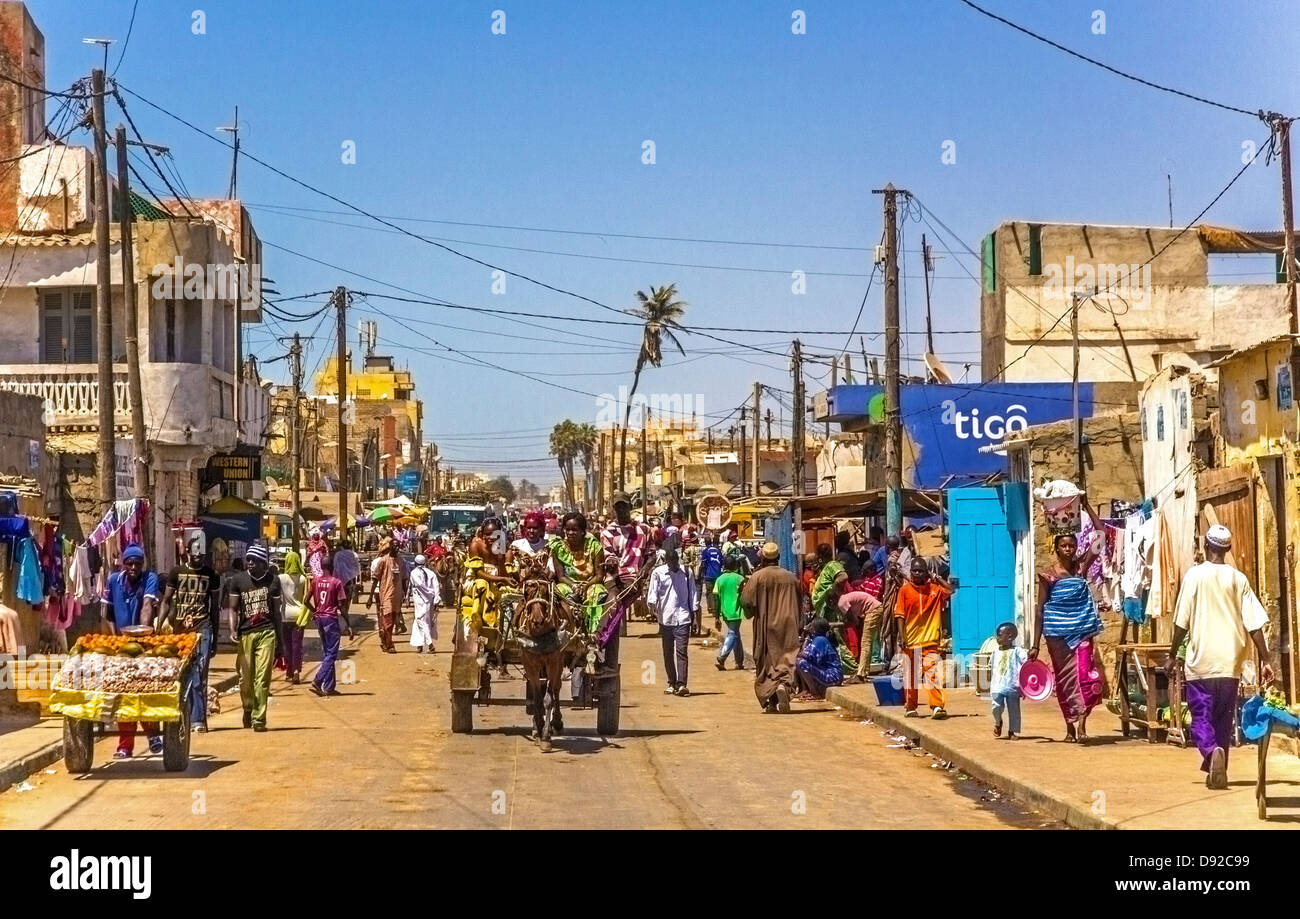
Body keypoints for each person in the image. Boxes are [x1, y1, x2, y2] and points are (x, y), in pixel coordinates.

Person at [1167, 525, 1272, 789]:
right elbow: (1255, 624)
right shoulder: (1239, 580)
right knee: (1224, 717)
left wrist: (1172, 655)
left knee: (1201, 715)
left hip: (1201, 662)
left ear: (1205, 546)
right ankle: (1218, 770)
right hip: (1230, 662)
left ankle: (1212, 752)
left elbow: (1181, 622)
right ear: (1227, 550)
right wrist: (1267, 659)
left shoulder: (1194, 576)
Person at [1030, 498, 1105, 743]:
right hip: (1057, 635)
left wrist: (1086, 506)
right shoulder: (1048, 575)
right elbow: (1041, 610)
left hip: (1081, 631)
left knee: (1085, 675)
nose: (1069, 549)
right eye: (1064, 546)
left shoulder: (1082, 567)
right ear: (1057, 548)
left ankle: (1082, 724)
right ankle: (1070, 727)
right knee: (1065, 681)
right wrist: (1034, 644)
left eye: (1072, 545)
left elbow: (1101, 535)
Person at [103, 544, 163, 758]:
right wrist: (115, 640)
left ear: (142, 564)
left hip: (145, 644)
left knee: (145, 690)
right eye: (130, 563)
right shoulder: (113, 581)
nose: (134, 567)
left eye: (138, 563)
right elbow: (108, 613)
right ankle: (125, 745)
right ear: (123, 564)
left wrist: (140, 637)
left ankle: (153, 735)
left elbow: (147, 605)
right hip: (120, 646)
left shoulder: (150, 579)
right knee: (124, 693)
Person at [158, 531, 220, 733]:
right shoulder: (176, 573)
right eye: (195, 555)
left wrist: (215, 639)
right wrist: (159, 628)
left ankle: (198, 720)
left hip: (203, 628)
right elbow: (166, 601)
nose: (198, 558)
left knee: (199, 674)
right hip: (180, 631)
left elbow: (215, 608)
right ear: (187, 552)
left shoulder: (211, 576)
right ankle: (181, 716)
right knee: (181, 674)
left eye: (201, 556)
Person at [225, 545, 284, 731]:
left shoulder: (273, 582)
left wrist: (280, 642)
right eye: (248, 559)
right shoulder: (238, 580)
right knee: (245, 679)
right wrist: (233, 630)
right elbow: (233, 609)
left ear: (262, 563)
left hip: (267, 632)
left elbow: (276, 613)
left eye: (253, 560)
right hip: (246, 634)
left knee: (262, 678)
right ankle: (248, 708)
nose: (249, 563)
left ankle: (259, 718)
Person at [740, 541, 801, 713]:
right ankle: (783, 686)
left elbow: (746, 601)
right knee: (787, 658)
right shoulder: (791, 577)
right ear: (779, 558)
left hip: (766, 625)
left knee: (766, 661)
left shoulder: (757, 577)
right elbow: (800, 601)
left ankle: (772, 701)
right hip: (789, 624)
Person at [895, 557, 955, 719]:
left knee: (932, 675)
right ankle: (911, 707)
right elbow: (899, 615)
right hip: (911, 641)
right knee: (911, 677)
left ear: (926, 573)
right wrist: (902, 636)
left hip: (930, 641)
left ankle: (937, 706)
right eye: (914, 571)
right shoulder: (904, 591)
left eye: (920, 571)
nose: (916, 574)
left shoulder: (935, 590)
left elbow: (951, 590)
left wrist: (937, 578)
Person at [600, 492, 653, 671]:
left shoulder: (644, 530)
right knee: (610, 606)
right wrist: (613, 566)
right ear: (613, 509)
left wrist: (644, 570)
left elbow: (652, 554)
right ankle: (601, 644)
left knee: (614, 609)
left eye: (624, 506)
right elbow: (608, 558)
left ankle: (606, 649)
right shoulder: (608, 532)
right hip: (614, 578)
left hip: (634, 578)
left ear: (630, 507)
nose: (621, 510)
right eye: (617, 507)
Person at [647, 548, 698, 696]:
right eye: (671, 563)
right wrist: (653, 609)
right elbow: (652, 595)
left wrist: (695, 618)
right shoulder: (658, 573)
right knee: (668, 653)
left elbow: (693, 594)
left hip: (683, 618)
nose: (674, 565)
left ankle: (682, 684)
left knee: (682, 652)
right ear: (667, 562)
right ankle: (672, 682)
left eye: (676, 561)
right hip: (666, 619)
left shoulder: (687, 572)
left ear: (678, 559)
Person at [307, 555, 349, 697]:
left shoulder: (315, 581)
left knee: (327, 652)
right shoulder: (336, 583)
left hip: (319, 619)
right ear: (332, 567)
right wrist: (348, 624)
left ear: (321, 566)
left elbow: (306, 601)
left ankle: (329, 686)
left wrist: (315, 611)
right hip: (331, 619)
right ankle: (318, 680)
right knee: (332, 653)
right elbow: (342, 606)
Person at [367, 538, 407, 653]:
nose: (396, 548)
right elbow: (375, 579)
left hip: (397, 596)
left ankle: (385, 642)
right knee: (387, 620)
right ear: (390, 547)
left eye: (397, 546)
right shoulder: (383, 561)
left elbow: (404, 579)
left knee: (392, 621)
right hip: (386, 595)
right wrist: (370, 597)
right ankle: (390, 645)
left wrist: (404, 594)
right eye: (394, 546)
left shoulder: (401, 561)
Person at [990, 622, 1027, 739]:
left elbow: (1026, 661)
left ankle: (1012, 731)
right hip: (997, 685)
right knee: (996, 707)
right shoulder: (995, 651)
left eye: (1000, 635)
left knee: (1014, 709)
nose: (997, 638)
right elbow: (991, 665)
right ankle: (998, 722)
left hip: (1012, 685)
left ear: (1010, 637)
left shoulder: (1017, 651)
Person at [277, 551, 308, 684]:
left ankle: (289, 671)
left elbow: (278, 597)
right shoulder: (303, 579)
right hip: (299, 616)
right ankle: (296, 671)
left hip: (285, 615)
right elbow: (306, 598)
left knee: (287, 645)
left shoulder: (281, 578)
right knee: (297, 645)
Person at [795, 618, 843, 700]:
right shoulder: (817, 639)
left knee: (801, 662)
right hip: (832, 674)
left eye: (811, 625)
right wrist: (807, 637)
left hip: (832, 675)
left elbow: (808, 656)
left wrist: (793, 653)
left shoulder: (820, 640)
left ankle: (814, 692)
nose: (809, 626)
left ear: (815, 628)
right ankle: (805, 690)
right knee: (799, 661)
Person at [837, 587, 883, 671]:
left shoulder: (841, 603)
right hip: (876, 608)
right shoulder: (844, 598)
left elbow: (854, 621)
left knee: (866, 642)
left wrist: (837, 625)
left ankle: (861, 674)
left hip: (873, 609)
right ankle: (865, 671)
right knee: (868, 642)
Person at [713, 556, 746, 670]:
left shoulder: (719, 579)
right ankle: (722, 656)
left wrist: (717, 617)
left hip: (724, 612)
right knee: (732, 634)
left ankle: (739, 661)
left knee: (736, 635)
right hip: (736, 611)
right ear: (735, 566)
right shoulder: (740, 578)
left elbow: (716, 599)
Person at [408, 554, 441, 653]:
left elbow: (419, 585)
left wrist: (431, 595)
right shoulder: (431, 573)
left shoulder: (414, 573)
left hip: (422, 600)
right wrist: (435, 597)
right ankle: (419, 644)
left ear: (415, 563)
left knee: (422, 621)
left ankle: (430, 644)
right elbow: (436, 587)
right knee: (419, 621)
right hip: (428, 601)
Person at [811, 543, 848, 620]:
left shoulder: (832, 565)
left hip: (831, 611)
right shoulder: (825, 567)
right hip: (824, 612)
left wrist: (831, 590)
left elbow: (843, 577)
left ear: (820, 556)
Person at [331, 539, 361, 634]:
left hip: (339, 583)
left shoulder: (338, 555)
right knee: (346, 605)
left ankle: (345, 626)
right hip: (350, 583)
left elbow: (334, 567)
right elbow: (357, 568)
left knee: (339, 605)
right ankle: (345, 626)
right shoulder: (354, 555)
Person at [698, 535, 724, 632]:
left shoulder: (706, 551)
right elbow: (722, 563)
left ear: (705, 542)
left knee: (709, 592)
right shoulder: (718, 551)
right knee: (717, 593)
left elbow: (703, 564)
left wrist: (700, 574)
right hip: (718, 574)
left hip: (709, 575)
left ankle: (711, 608)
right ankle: (716, 610)